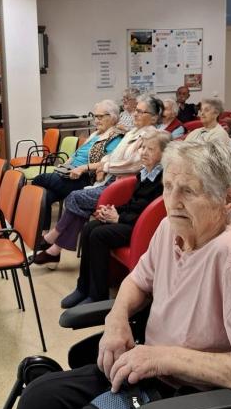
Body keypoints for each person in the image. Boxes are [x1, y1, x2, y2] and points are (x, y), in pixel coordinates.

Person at [6, 140, 231, 409]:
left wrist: (161, 357)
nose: (173, 202)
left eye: (188, 191)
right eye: (168, 187)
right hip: (147, 370)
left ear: (228, 199)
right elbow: (137, 282)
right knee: (39, 396)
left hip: (191, 396)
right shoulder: (171, 228)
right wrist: (117, 320)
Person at [31, 97, 163, 267]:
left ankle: (51, 239)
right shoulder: (131, 132)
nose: (134, 114)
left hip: (122, 185)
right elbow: (112, 156)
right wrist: (103, 164)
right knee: (65, 199)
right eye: (135, 110)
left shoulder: (150, 137)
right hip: (109, 179)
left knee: (73, 196)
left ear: (153, 117)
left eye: (140, 111)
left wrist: (104, 166)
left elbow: (133, 163)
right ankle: (54, 250)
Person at [59, 129, 169, 308]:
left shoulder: (163, 179)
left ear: (164, 153)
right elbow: (133, 203)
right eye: (143, 148)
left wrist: (119, 218)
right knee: (89, 228)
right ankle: (83, 287)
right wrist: (111, 210)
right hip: (130, 220)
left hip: (142, 228)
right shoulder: (144, 172)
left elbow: (148, 213)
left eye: (150, 149)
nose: (144, 153)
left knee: (99, 235)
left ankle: (98, 296)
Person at [32, 100, 123, 232]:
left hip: (83, 178)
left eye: (100, 117)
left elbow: (107, 162)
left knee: (39, 179)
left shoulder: (116, 137)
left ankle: (24, 219)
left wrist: (82, 168)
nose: (96, 120)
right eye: (95, 116)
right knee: (45, 194)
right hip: (69, 173)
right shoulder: (95, 134)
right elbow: (77, 154)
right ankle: (43, 232)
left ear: (113, 117)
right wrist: (65, 165)